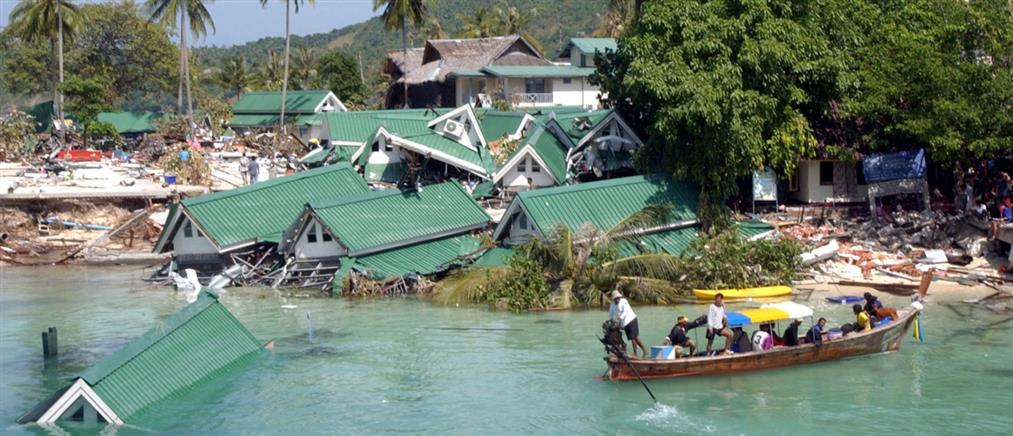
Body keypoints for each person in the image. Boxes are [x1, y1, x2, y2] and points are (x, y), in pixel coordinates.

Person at [609, 290, 647, 359]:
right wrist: (612, 322)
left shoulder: (624, 301)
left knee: (633, 337)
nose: (618, 299)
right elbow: (611, 316)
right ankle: (645, 351)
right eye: (616, 298)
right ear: (614, 299)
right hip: (624, 324)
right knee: (634, 337)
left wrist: (619, 319)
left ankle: (635, 353)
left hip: (631, 320)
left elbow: (625, 312)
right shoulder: (612, 305)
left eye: (618, 298)